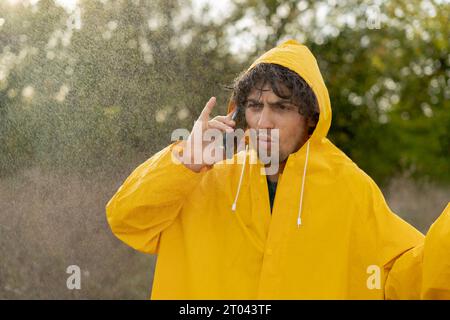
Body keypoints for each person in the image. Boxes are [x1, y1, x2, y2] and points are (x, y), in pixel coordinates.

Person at [106, 39, 450, 299]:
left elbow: (405, 280)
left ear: (310, 118)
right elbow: (126, 220)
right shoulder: (202, 177)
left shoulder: (350, 187)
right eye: (255, 106)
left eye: (282, 107)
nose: (264, 122)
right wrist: (183, 161)